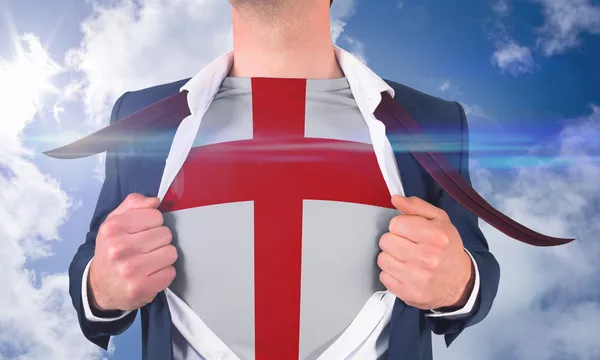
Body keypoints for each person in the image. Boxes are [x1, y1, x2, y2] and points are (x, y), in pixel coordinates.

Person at [63, 1, 504, 359]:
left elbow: (473, 262)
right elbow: (95, 254)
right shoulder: (142, 117)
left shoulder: (431, 120)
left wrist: (458, 284)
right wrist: (101, 284)